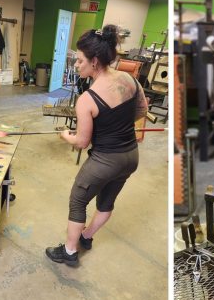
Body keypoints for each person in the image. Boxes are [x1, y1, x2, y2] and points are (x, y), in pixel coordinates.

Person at [46, 25, 148, 266]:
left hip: (106, 159)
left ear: (94, 61)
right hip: (131, 156)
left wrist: (65, 136)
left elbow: (82, 141)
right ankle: (87, 236)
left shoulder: (87, 100)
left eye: (80, 61)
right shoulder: (129, 79)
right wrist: (117, 125)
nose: (76, 65)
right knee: (106, 202)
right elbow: (142, 110)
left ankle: (70, 252)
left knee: (78, 199)